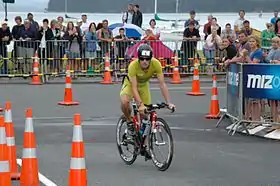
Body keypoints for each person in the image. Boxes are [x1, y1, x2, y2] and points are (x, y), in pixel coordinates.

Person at [119, 44, 175, 159]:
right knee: (125, 102)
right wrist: (140, 104)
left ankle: (143, 145)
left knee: (145, 116)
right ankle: (129, 122)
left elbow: (162, 84)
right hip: (130, 84)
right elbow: (134, 88)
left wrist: (168, 102)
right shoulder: (133, 66)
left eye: (147, 59)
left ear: (151, 59)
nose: (145, 62)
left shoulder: (156, 64)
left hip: (143, 86)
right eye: (142, 59)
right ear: (138, 58)